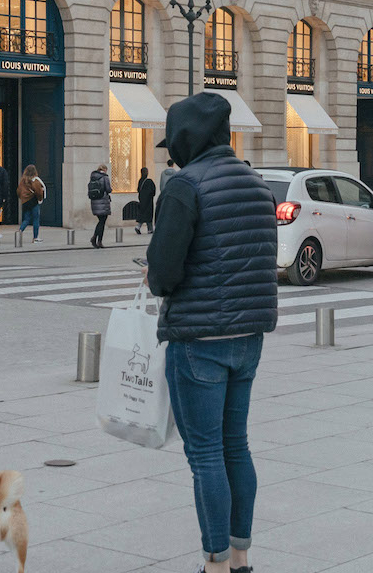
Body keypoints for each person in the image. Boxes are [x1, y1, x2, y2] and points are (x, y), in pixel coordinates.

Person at [145, 92, 277, 573]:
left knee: (204, 455)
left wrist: (153, 276)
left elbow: (163, 272)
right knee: (235, 445)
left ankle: (216, 564)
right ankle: (240, 556)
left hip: (199, 337)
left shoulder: (185, 186)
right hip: (248, 336)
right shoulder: (256, 182)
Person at [88, 162, 113, 248]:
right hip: (102, 202)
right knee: (102, 221)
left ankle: (96, 240)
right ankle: (97, 239)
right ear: (105, 170)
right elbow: (108, 189)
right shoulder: (105, 177)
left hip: (95, 202)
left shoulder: (93, 177)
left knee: (101, 221)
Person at [18, 164, 45, 242]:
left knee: (26, 219)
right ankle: (35, 237)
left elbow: (19, 191)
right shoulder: (35, 180)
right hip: (33, 201)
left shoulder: (22, 180)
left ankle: (19, 232)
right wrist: (40, 200)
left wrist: (23, 198)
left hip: (25, 202)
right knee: (36, 219)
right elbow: (39, 192)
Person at [135, 167, 157, 236]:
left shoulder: (140, 180)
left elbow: (138, 189)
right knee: (149, 215)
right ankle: (149, 229)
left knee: (143, 214)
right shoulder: (149, 181)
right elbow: (153, 191)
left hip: (142, 200)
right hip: (149, 201)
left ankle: (139, 227)